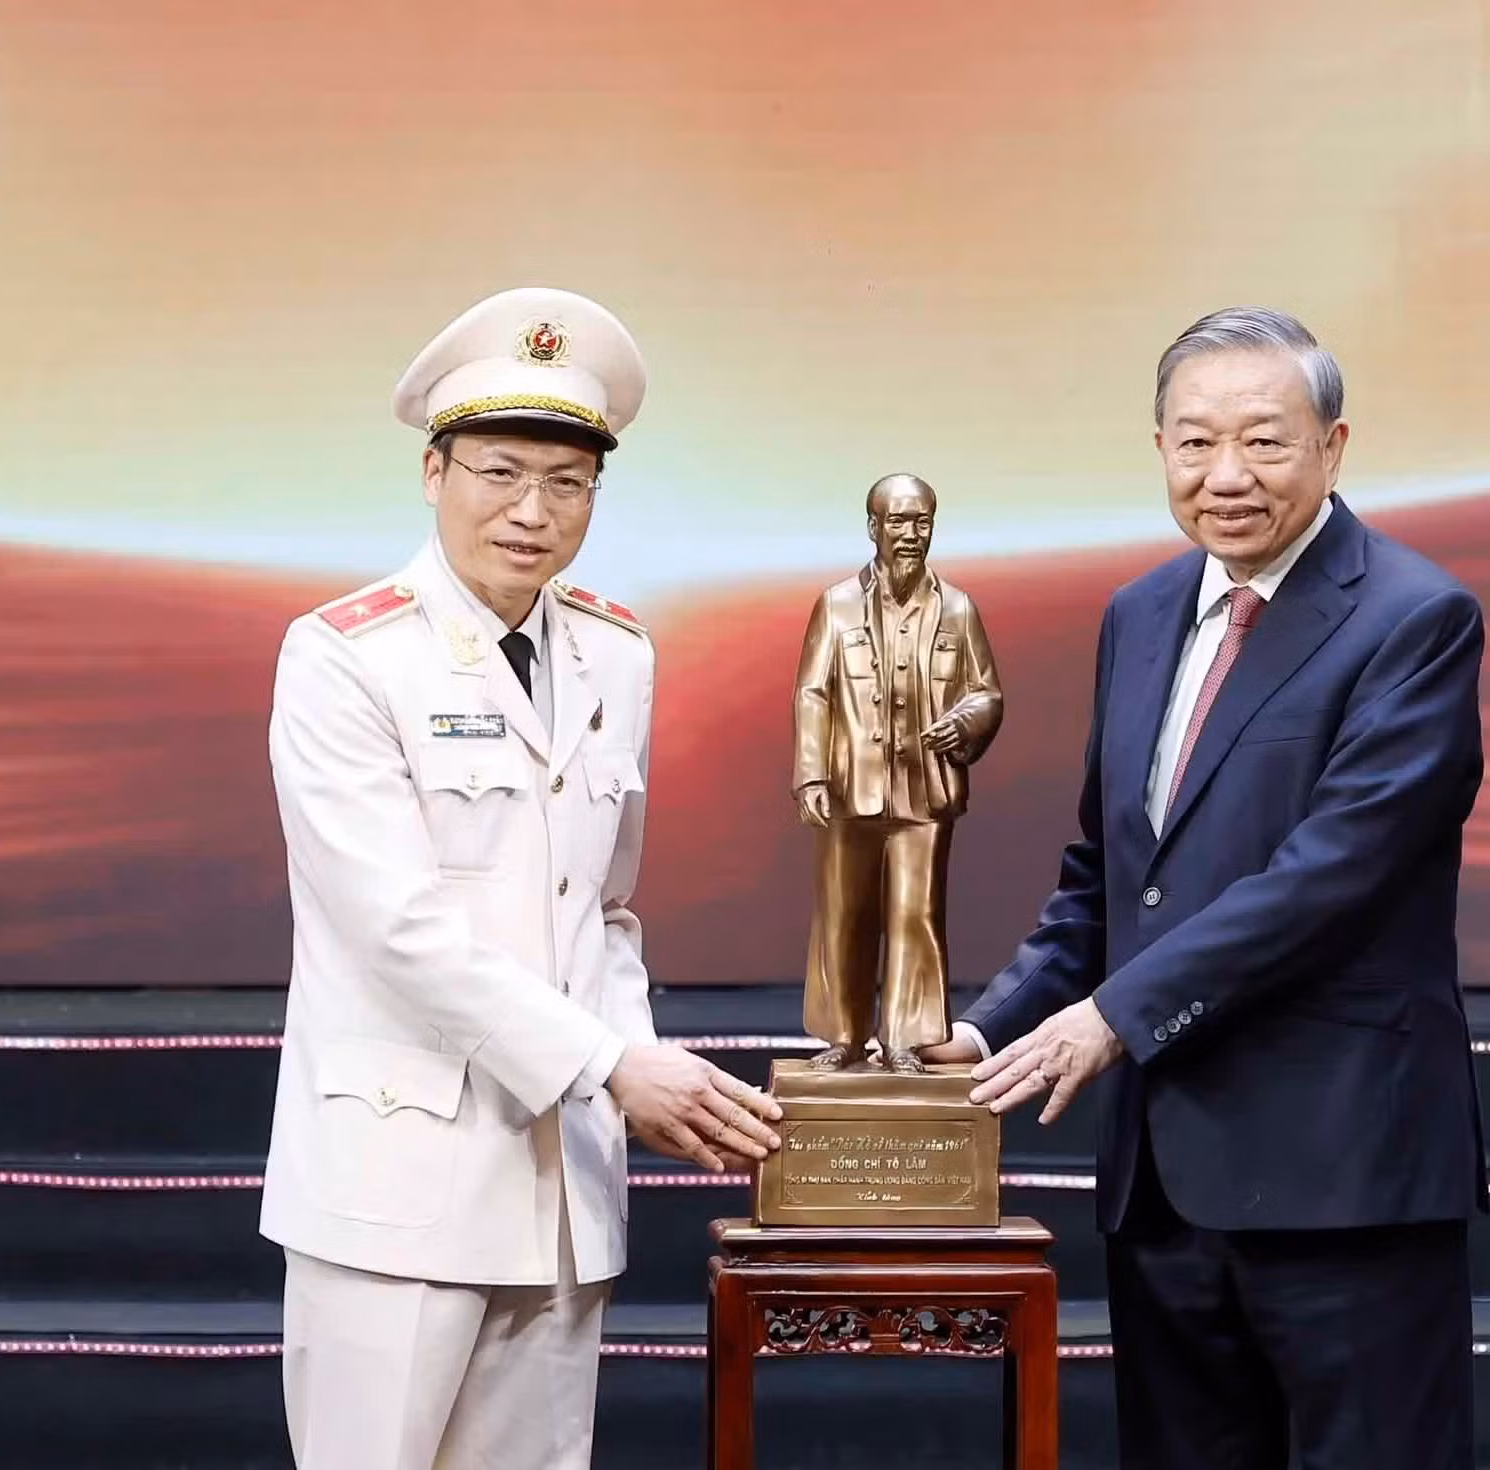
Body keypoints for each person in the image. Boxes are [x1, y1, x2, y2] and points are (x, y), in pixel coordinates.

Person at [925, 307, 1488, 1468]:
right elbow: (1109, 879)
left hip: (1342, 1180)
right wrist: (986, 1034)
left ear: (1332, 447)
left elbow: (1330, 876)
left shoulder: (1413, 619)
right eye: (1192, 443)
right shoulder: (1139, 615)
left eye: (1262, 442)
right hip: (1164, 1185)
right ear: (1159, 451)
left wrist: (1112, 1018)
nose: (1223, 475)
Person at [260, 286, 783, 1470]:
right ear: (433, 472)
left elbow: (604, 910)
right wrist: (613, 1066)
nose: (531, 513)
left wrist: (633, 1064)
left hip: (558, 1194)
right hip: (398, 1184)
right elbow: (394, 926)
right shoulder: (346, 656)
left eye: (566, 483)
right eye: (499, 473)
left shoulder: (613, 650)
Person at [791, 473, 1003, 1072]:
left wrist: (965, 723)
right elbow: (812, 692)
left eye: (922, 522)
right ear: (873, 527)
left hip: (924, 792)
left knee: (916, 916)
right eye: (899, 521)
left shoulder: (958, 609)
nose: (911, 535)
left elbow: (987, 693)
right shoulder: (834, 605)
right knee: (843, 914)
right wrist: (810, 775)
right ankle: (844, 1035)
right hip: (848, 787)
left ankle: (906, 1038)